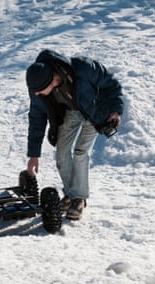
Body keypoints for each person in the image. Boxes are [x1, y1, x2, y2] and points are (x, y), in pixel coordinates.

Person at [25, 49, 123, 220]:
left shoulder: (83, 68)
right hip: (71, 112)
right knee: (62, 153)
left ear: (50, 81)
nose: (36, 94)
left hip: (96, 112)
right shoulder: (37, 87)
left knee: (80, 152)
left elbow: (111, 83)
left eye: (40, 90)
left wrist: (116, 109)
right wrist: (34, 155)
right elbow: (36, 118)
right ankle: (70, 194)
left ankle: (79, 198)